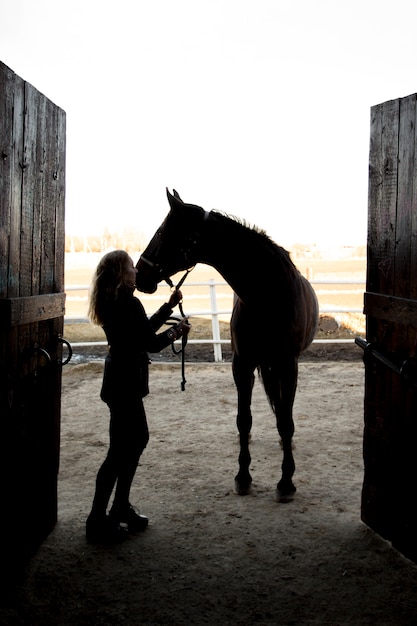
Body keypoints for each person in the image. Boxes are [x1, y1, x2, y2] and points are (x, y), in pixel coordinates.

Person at [85, 249, 191, 543]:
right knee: (120, 451)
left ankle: (118, 508)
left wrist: (168, 307)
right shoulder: (128, 304)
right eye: (131, 267)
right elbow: (150, 342)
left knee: (132, 443)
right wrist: (176, 332)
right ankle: (98, 519)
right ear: (122, 274)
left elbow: (140, 332)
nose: (136, 270)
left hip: (119, 381)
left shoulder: (114, 302)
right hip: (126, 384)